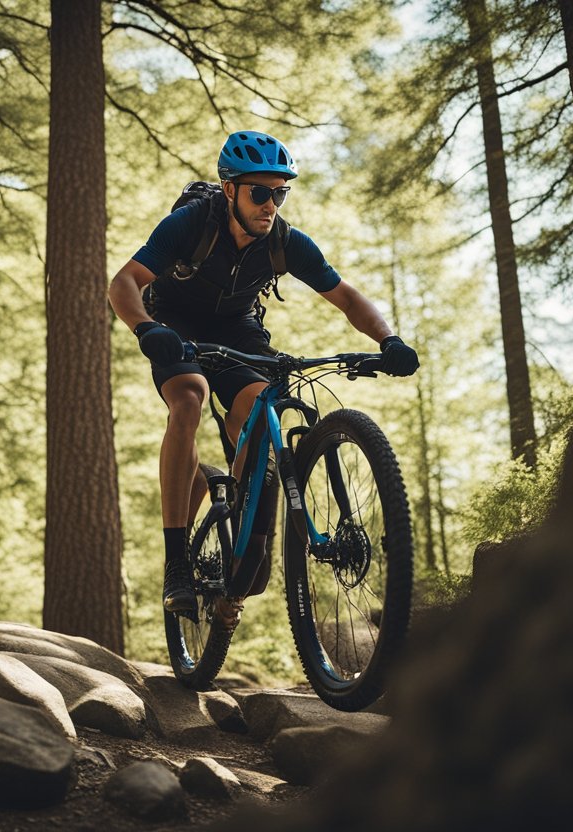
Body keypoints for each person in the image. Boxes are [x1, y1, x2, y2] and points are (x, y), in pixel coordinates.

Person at [107, 130, 419, 621]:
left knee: (261, 409)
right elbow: (124, 281)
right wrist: (145, 328)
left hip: (237, 329)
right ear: (230, 189)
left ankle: (233, 525)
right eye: (260, 191)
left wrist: (389, 341)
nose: (270, 203)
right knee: (190, 398)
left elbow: (348, 297)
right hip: (175, 324)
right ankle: (176, 564)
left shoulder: (284, 242)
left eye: (280, 192)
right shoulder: (189, 225)